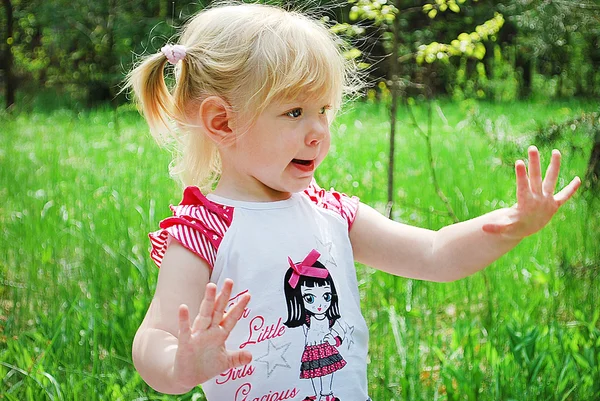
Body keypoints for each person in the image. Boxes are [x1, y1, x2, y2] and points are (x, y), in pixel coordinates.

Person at [125, 2, 581, 400]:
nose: (318, 130)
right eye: (294, 112)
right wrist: (180, 366)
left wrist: (515, 223)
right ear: (223, 123)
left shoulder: (332, 213)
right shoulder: (203, 230)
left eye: (324, 109)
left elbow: (434, 254)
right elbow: (155, 337)